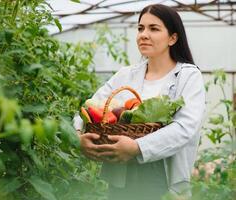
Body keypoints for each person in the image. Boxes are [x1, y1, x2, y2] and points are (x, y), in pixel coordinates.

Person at [73, 4, 206, 200]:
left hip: (161, 176)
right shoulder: (126, 75)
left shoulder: (188, 76)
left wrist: (137, 147)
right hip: (120, 176)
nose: (143, 34)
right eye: (140, 28)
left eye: (154, 28)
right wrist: (78, 134)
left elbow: (186, 127)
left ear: (173, 38)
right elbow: (90, 107)